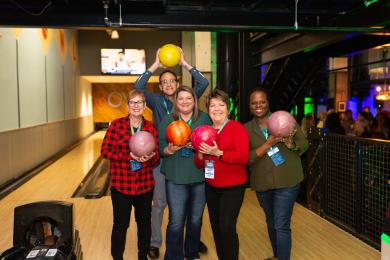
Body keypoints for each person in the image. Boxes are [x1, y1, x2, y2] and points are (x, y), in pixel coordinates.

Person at [134, 47, 209, 259]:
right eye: (164, 82)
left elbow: (203, 83)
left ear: (177, 84)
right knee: (160, 203)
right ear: (160, 86)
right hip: (163, 155)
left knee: (191, 208)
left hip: (188, 159)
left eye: (171, 81)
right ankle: (155, 243)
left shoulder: (186, 98)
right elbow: (138, 86)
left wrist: (185, 63)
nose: (168, 84)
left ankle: (190, 242)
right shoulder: (156, 101)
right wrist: (156, 64)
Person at [244, 88, 309, 260]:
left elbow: (304, 145)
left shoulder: (285, 120)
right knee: (271, 221)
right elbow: (247, 158)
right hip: (262, 183)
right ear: (250, 106)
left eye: (262, 101)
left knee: (281, 224)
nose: (258, 105)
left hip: (288, 181)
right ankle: (278, 255)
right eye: (254, 102)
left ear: (268, 103)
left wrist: (290, 143)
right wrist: (268, 144)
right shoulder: (246, 129)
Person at [101, 89, 160, 260]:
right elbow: (105, 151)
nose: (136, 106)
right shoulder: (117, 125)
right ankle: (117, 257)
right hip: (122, 186)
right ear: (127, 105)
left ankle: (143, 257)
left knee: (144, 225)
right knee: (120, 225)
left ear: (144, 105)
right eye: (132, 102)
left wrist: (149, 158)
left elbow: (155, 160)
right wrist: (128, 157)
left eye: (139, 102)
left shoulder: (150, 128)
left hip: (144, 186)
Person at [194, 89, 249, 260]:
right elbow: (199, 164)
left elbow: (243, 157)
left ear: (228, 107)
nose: (217, 109)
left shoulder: (236, 127)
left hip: (233, 188)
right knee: (216, 227)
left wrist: (219, 152)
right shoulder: (205, 131)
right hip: (212, 187)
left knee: (227, 227)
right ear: (208, 109)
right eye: (212, 105)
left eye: (221, 105)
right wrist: (201, 153)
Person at [158, 86, 212, 260]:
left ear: (194, 101)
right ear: (175, 101)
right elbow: (160, 148)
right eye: (181, 98)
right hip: (175, 177)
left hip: (199, 176)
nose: (185, 101)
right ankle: (173, 256)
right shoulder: (168, 120)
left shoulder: (204, 118)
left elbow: (212, 143)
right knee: (176, 220)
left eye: (189, 98)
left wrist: (199, 147)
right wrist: (170, 149)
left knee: (196, 219)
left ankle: (191, 252)